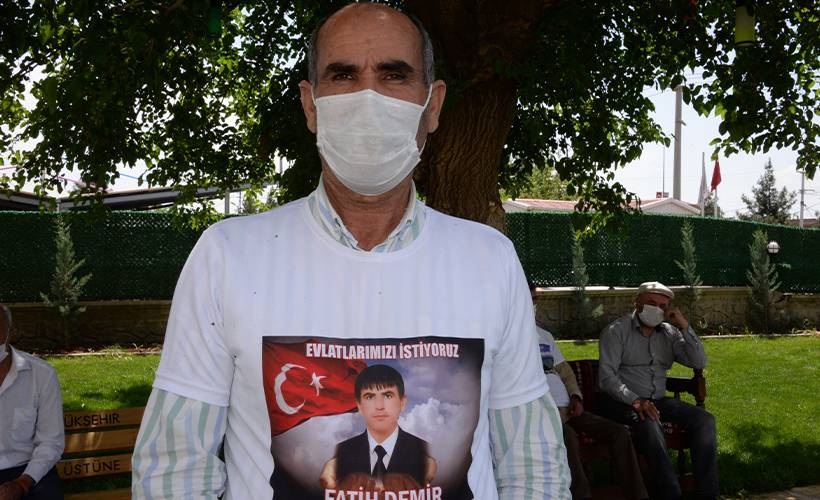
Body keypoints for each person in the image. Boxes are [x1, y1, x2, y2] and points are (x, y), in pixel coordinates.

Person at [132, 3, 570, 499]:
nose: (368, 98)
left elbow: (533, 467)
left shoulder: (490, 261)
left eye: (394, 75)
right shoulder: (227, 257)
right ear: (310, 105)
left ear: (432, 106)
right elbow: (175, 471)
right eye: (342, 75)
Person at [596, 282, 718, 500]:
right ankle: (670, 494)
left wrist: (684, 326)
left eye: (663, 306)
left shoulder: (669, 333)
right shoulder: (616, 331)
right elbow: (606, 378)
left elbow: (698, 361)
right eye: (651, 303)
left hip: (658, 400)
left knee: (704, 420)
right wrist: (636, 400)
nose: (657, 309)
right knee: (650, 425)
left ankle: (707, 494)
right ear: (637, 303)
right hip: (621, 401)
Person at [529, 284, 647, 500]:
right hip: (543, 415)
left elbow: (566, 373)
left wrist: (576, 397)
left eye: (535, 300)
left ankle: (637, 495)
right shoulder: (509, 341)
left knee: (618, 433)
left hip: (570, 409)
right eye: (529, 299)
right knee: (568, 437)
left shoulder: (544, 336)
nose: (533, 304)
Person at [327, 364, 434, 490]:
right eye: (369, 397)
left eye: (388, 395)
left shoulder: (422, 450)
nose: (379, 406)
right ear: (359, 405)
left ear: (402, 402)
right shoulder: (343, 451)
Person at [0, 304, 65, 500]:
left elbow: (50, 442)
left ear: (10, 331)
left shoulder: (42, 375)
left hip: (28, 471)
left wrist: (22, 483)